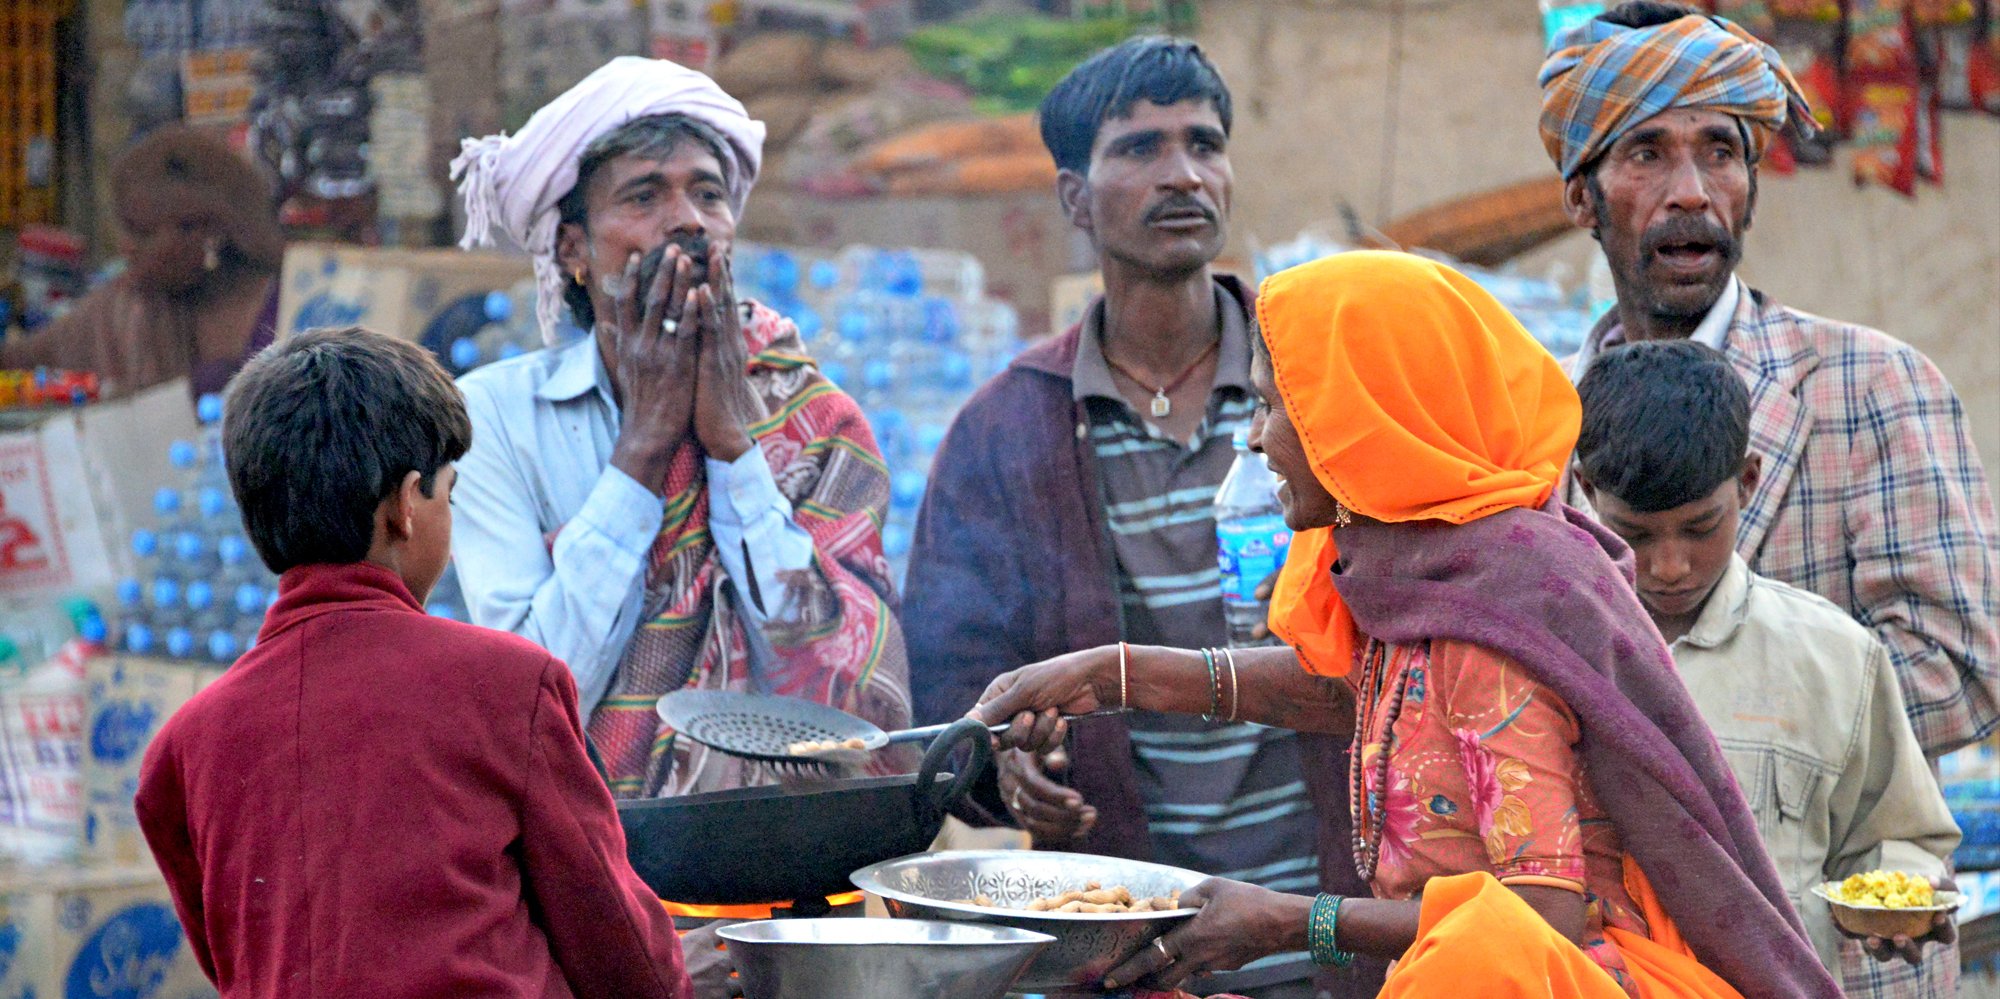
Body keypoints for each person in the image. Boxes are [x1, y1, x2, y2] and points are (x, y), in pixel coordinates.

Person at [973, 251, 1840, 998]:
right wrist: (1113, 673)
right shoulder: (1432, 566)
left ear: (1366, 421)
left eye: (1281, 408)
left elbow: (1536, 920)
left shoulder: (1486, 615)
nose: (1260, 440)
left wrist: (1291, 922)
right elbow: (1370, 694)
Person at [903, 37, 1352, 999]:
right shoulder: (1003, 428)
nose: (1184, 173)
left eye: (1204, 142)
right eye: (1141, 148)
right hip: (1134, 947)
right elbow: (949, 698)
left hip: (1335, 915)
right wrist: (1012, 774)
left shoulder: (1323, 388)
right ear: (1074, 197)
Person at [134, 327, 692, 998]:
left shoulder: (185, 747)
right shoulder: (509, 684)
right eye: (448, 495)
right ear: (405, 506)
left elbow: (240, 959)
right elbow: (621, 951)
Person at [1543, 2, 2000, 765]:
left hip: (1817, 878)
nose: (1690, 191)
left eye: (1719, 152)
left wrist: (1694, 739)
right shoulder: (1538, 417)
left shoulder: (1872, 388)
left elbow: (1960, 674)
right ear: (1582, 197)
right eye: (1647, 155)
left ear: (1749, 187)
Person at [448, 57, 911, 800]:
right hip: (589, 863)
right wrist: (642, 451)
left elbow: (841, 692)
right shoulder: (496, 420)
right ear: (572, 249)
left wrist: (733, 447)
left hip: (780, 850)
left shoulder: (814, 416)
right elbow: (529, 693)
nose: (689, 220)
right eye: (644, 195)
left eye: (708, 194)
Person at [1575, 339, 1961, 995]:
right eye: (1636, 534)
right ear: (1584, 491)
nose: (1669, 566)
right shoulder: (1551, 650)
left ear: (1749, 480)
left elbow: (1900, 838)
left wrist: (1908, 890)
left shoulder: (1835, 658)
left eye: (1700, 527)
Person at [0, 126, 283, 400]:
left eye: (142, 232)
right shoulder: (124, 307)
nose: (127, 247)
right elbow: (21, 360)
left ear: (209, 231)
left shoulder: (285, 305)